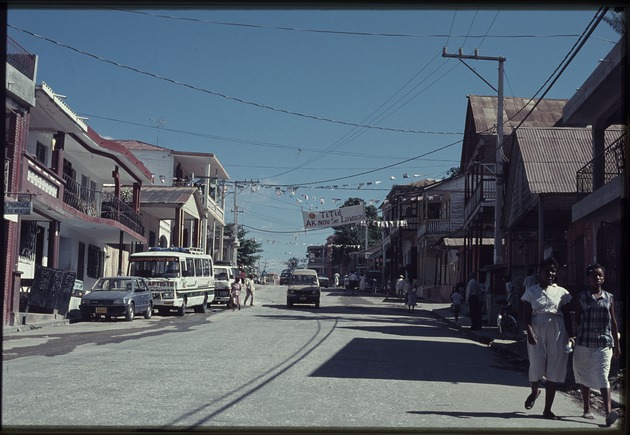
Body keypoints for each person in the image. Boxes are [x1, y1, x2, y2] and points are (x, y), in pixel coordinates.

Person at [520, 256, 572, 420]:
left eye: (553, 270)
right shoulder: (531, 292)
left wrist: (571, 336)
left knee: (554, 369)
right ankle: (535, 391)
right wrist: (529, 332)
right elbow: (526, 316)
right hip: (536, 330)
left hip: (557, 331)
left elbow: (568, 317)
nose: (550, 273)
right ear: (539, 272)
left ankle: (547, 409)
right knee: (536, 365)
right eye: (546, 270)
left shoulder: (562, 292)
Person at [571, 264, 620, 426]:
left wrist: (617, 344)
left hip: (604, 343)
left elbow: (613, 322)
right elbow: (577, 320)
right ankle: (586, 408)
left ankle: (608, 413)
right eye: (593, 276)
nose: (597, 278)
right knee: (584, 374)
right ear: (588, 279)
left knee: (603, 376)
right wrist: (572, 337)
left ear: (603, 278)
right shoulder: (581, 297)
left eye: (599, 276)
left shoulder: (609, 297)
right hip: (584, 342)